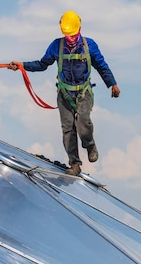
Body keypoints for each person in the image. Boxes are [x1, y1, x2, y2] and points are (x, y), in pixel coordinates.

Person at [8, 10, 120, 176]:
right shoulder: (56, 45)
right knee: (68, 129)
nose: (71, 38)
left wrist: (112, 84)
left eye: (73, 35)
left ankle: (89, 144)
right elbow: (42, 64)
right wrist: (22, 65)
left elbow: (101, 66)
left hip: (83, 92)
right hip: (64, 94)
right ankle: (74, 164)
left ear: (79, 28)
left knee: (83, 121)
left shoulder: (90, 45)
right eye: (68, 35)